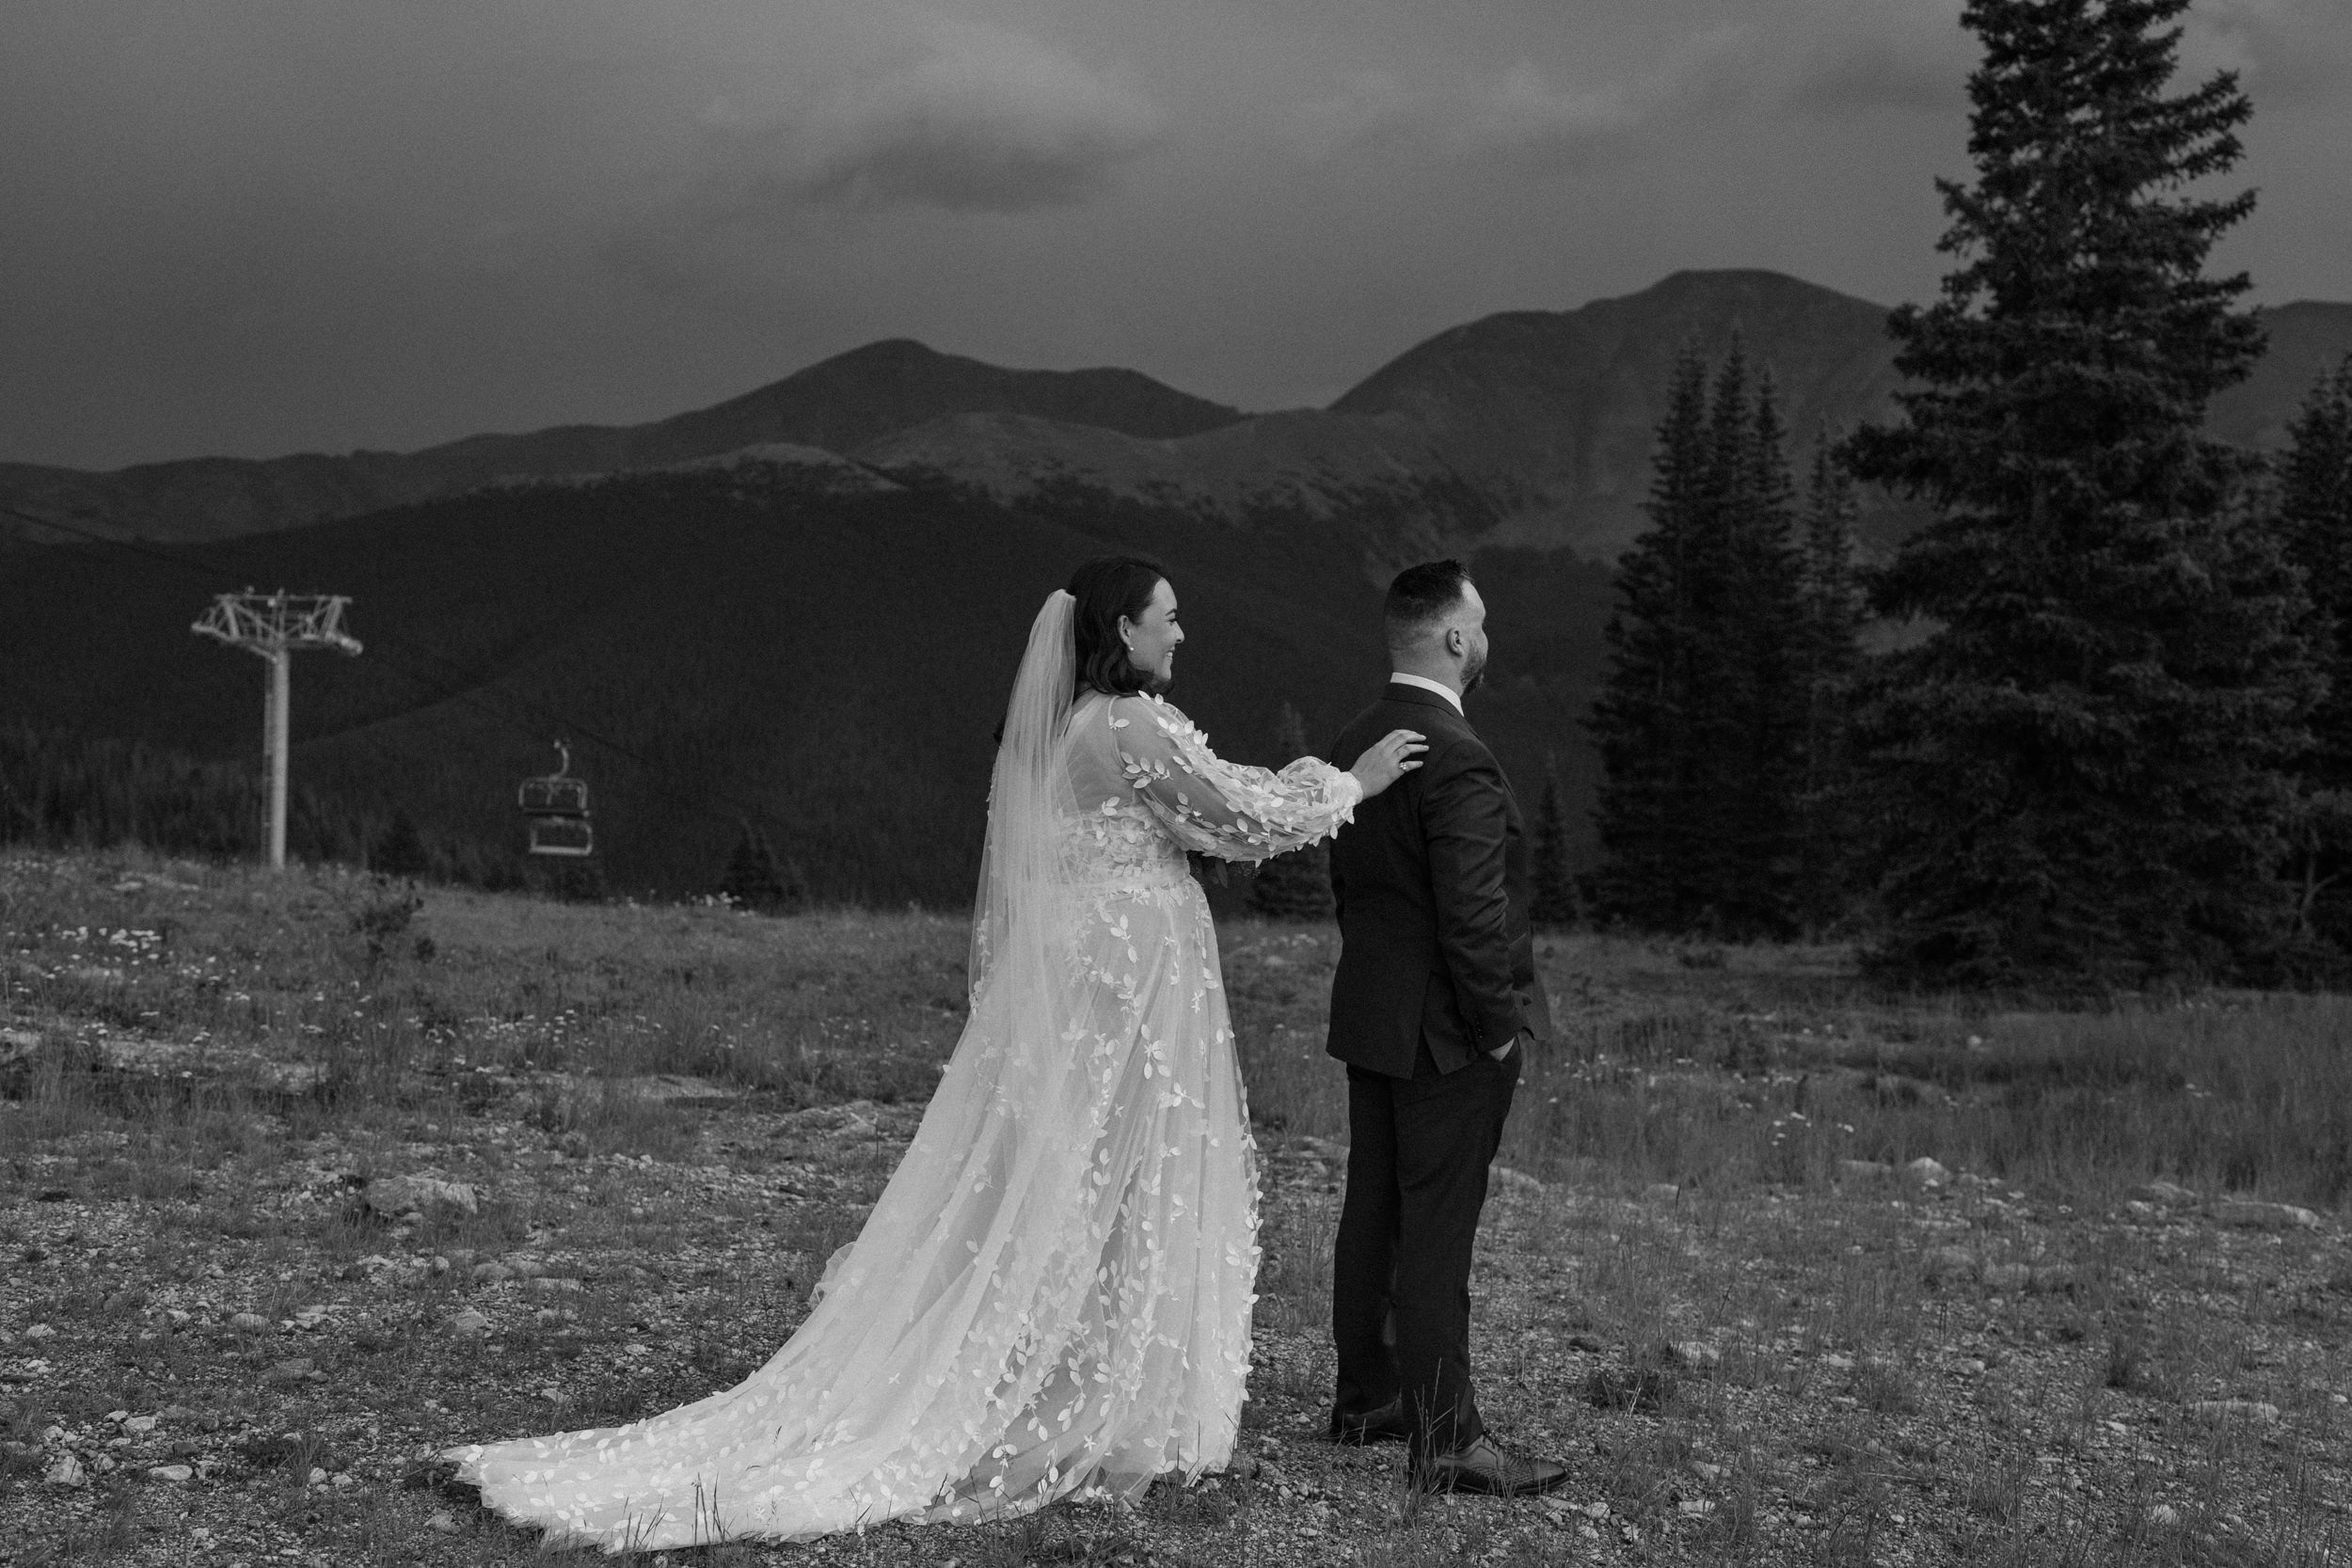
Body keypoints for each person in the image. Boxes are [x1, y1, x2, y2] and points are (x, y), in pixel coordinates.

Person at [442, 556, 1427, 1550]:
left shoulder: (1071, 723)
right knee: (1120, 1172)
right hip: (1129, 984)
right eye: (1169, 618)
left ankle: (1086, 1375)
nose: (1182, 634)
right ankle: (1110, 1395)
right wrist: (1351, 780)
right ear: (1121, 631)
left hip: (1097, 971)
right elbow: (1236, 812)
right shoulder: (1128, 722)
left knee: (1078, 1174)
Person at [1322, 559, 1566, 1496]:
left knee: (1373, 1209)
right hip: (1445, 1031)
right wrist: (1497, 1026)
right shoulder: (1455, 752)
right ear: (1455, 638)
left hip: (1374, 1015)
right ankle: (1447, 1437)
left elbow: (1357, 890)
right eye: (1484, 621)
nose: (1489, 636)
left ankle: (1370, 1394)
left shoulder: (1357, 738)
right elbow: (1473, 915)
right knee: (1437, 1228)